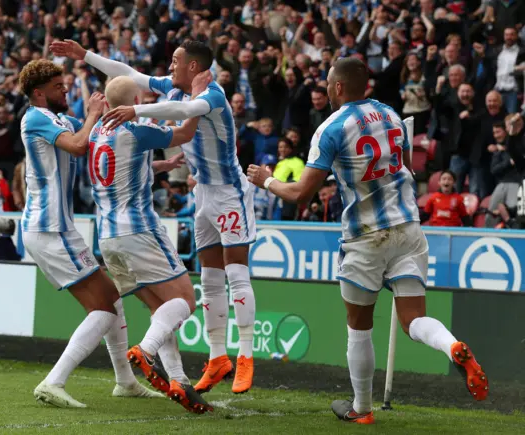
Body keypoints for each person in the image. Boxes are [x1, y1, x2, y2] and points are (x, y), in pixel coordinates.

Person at [247, 57, 488, 425]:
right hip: (408, 227)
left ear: (339, 87)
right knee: (414, 320)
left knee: (359, 327)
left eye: (328, 84)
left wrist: (266, 179)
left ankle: (361, 409)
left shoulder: (330, 128)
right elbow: (408, 166)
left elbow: (299, 194)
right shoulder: (391, 115)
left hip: (365, 236)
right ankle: (452, 345)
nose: (326, 90)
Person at [51, 38, 258, 395]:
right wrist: (85, 56)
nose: (170, 65)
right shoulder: (173, 91)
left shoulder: (213, 95)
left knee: (236, 273)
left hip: (228, 191)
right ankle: (217, 357)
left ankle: (246, 358)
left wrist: (137, 111)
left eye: (176, 60)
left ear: (193, 66)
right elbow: (129, 74)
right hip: (201, 193)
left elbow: (185, 114)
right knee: (208, 278)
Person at [17, 59, 159, 409]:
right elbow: (80, 145)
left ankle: (125, 382)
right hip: (47, 228)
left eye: (65, 85)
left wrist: (156, 164)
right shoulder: (34, 118)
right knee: (105, 306)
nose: (65, 90)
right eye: (57, 87)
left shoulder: (60, 119)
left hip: (58, 227)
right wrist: (94, 112)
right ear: (39, 93)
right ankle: (54, 381)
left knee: (111, 299)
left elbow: (103, 150)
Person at [90, 76, 211, 414]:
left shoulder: (99, 131)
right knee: (185, 299)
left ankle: (179, 380)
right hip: (139, 229)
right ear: (134, 100)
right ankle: (145, 349)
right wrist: (200, 99)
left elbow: (124, 167)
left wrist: (163, 166)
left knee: (162, 310)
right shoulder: (135, 130)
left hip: (108, 235)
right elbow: (186, 133)